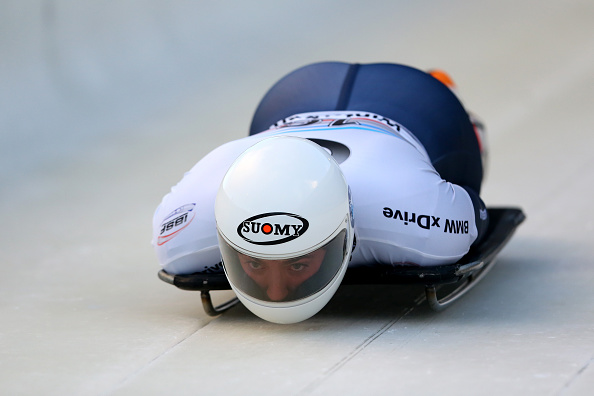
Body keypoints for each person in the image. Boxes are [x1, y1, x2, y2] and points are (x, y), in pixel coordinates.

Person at [152, 62, 489, 324]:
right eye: (253, 262)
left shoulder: (418, 221)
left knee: (466, 165)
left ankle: (448, 93)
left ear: (344, 233)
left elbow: (476, 212)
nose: (276, 291)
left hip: (417, 106)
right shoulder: (186, 231)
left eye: (297, 265)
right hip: (292, 101)